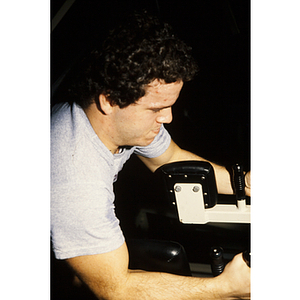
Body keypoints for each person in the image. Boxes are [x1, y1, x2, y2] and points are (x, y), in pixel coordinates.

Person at [51, 12, 251, 299]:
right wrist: (226, 287)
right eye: (156, 109)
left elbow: (171, 158)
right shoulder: (74, 181)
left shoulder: (126, 123)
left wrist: (242, 182)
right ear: (109, 100)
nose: (168, 118)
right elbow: (116, 289)